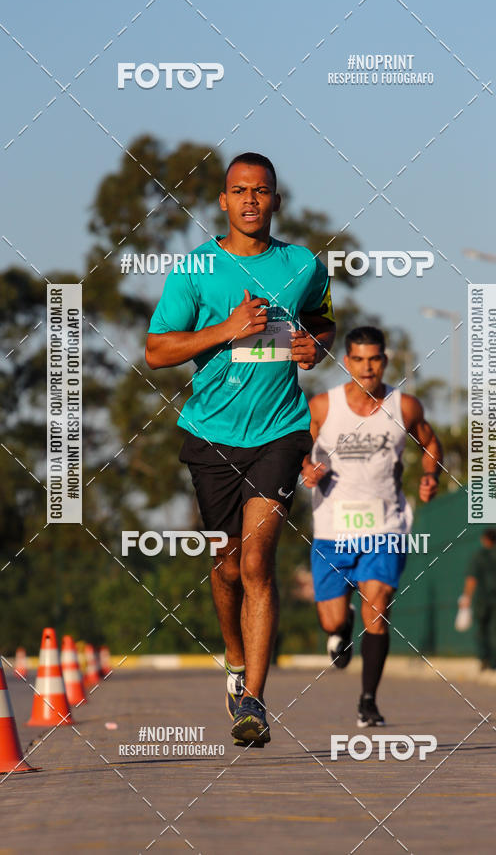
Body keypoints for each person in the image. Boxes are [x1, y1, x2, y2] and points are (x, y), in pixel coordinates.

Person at [145, 153, 336, 746]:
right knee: (226, 567)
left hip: (280, 432)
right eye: (239, 191)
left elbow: (321, 323)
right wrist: (227, 331)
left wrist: (313, 348)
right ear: (223, 202)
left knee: (257, 564)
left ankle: (253, 701)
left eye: (262, 191)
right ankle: (234, 658)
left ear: (277, 201)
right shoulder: (196, 270)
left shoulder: (302, 264)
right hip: (211, 436)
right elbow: (156, 351)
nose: (251, 200)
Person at [301, 326, 442, 727]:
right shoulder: (323, 407)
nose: (367, 368)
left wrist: (430, 475)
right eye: (359, 360)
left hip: (386, 525)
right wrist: (306, 468)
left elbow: (430, 443)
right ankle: (339, 630)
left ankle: (368, 701)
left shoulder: (405, 407)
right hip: (332, 528)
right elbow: (298, 446)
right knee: (331, 618)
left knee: (377, 608)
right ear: (347, 363)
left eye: (375, 359)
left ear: (385, 361)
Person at [460, 528, 496, 670]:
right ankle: (495, 661)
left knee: (481, 628)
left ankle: (484, 658)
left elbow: (472, 579)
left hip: (482, 597)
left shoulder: (478, 556)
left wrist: (466, 597)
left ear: (484, 539)